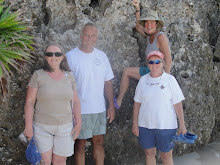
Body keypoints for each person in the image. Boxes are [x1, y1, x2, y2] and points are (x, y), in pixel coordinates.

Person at [23, 43, 81, 165]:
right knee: (44, 162)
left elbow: (75, 101)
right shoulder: (38, 75)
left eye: (57, 54)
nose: (53, 57)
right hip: (42, 127)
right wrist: (28, 127)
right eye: (49, 54)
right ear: (45, 57)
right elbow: (29, 102)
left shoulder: (69, 76)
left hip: (65, 127)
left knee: (60, 162)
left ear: (62, 57)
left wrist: (78, 123)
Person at [66, 23, 115, 165]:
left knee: (99, 143)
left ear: (97, 38)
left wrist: (111, 105)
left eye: (93, 36)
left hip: (99, 109)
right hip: (80, 109)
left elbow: (108, 83)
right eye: (87, 35)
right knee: (80, 145)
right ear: (81, 36)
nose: (89, 38)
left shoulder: (102, 56)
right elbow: (66, 85)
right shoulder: (71, 56)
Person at [132, 50, 187, 165]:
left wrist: (182, 125)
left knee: (166, 156)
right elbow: (137, 103)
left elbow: (177, 104)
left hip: (166, 126)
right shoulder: (143, 80)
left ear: (163, 63)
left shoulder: (170, 80)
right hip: (145, 126)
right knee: (149, 154)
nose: (154, 65)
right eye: (151, 62)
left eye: (158, 62)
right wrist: (135, 124)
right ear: (147, 64)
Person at [115, 0, 172, 109]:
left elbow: (168, 61)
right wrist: (137, 8)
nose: (149, 25)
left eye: (152, 22)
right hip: (149, 71)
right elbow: (137, 26)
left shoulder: (161, 38)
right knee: (126, 71)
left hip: (158, 76)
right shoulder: (149, 35)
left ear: (157, 24)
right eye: (146, 22)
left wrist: (165, 83)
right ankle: (118, 101)